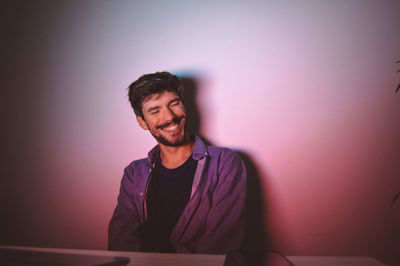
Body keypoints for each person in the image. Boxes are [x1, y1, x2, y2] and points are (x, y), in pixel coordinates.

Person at [108, 71, 246, 254]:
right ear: (142, 121)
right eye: (155, 110)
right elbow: (121, 239)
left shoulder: (224, 163)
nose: (169, 117)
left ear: (184, 105)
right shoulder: (134, 173)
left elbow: (220, 244)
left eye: (174, 104)